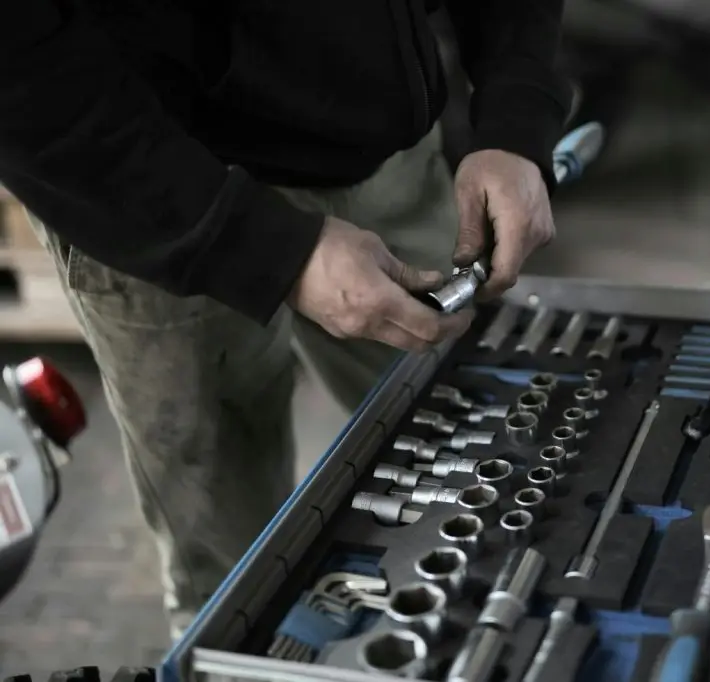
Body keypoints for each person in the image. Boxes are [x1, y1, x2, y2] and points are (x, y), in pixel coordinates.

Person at [1, 1, 572, 637]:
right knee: (230, 571)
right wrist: (265, 249)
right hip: (151, 190)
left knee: (481, 443)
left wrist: (516, 115)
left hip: (378, 144)